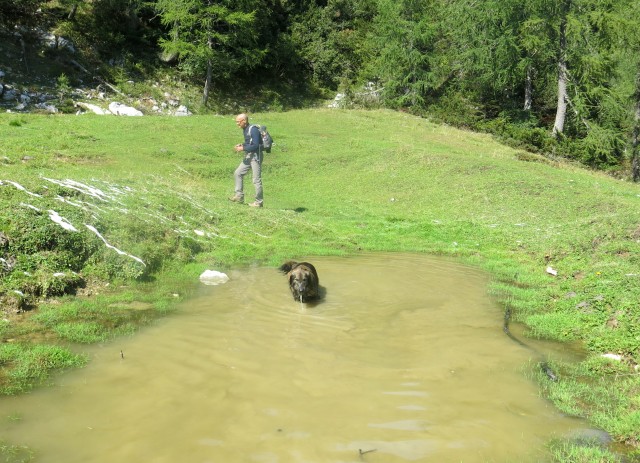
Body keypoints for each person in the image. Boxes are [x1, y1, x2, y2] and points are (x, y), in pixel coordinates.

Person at [229, 113, 264, 208]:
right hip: (249, 155)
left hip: (256, 156)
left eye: (238, 122)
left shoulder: (254, 130)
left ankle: (259, 202)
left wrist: (243, 148)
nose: (237, 124)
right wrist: (242, 145)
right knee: (238, 173)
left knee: (256, 179)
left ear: (244, 121)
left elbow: (256, 145)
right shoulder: (245, 129)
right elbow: (249, 142)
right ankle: (239, 196)